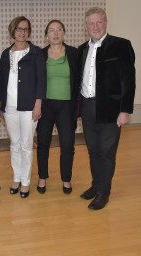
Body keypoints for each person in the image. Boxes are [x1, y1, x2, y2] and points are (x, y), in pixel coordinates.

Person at [78, 7, 135, 210]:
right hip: (87, 107)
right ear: (86, 26)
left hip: (111, 110)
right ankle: (96, 185)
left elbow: (129, 80)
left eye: (99, 22)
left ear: (105, 22)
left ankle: (104, 192)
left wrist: (125, 110)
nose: (95, 26)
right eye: (91, 23)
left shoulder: (121, 45)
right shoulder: (82, 49)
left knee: (106, 152)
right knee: (93, 150)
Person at [0, 16, 46, 198]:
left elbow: (42, 80)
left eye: (25, 29)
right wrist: (1, 104)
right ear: (12, 31)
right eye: (19, 29)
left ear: (29, 32)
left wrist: (38, 104)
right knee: (14, 144)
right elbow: (1, 81)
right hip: (9, 107)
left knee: (26, 145)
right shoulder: (5, 53)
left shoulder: (36, 53)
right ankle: (16, 177)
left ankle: (25, 181)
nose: (22, 32)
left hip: (29, 107)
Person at [36, 20, 79, 195]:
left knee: (68, 145)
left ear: (64, 33)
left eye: (59, 30)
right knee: (43, 143)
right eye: (52, 30)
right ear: (46, 34)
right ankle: (42, 178)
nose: (55, 33)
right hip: (45, 106)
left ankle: (66, 179)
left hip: (67, 106)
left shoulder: (74, 54)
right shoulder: (39, 54)